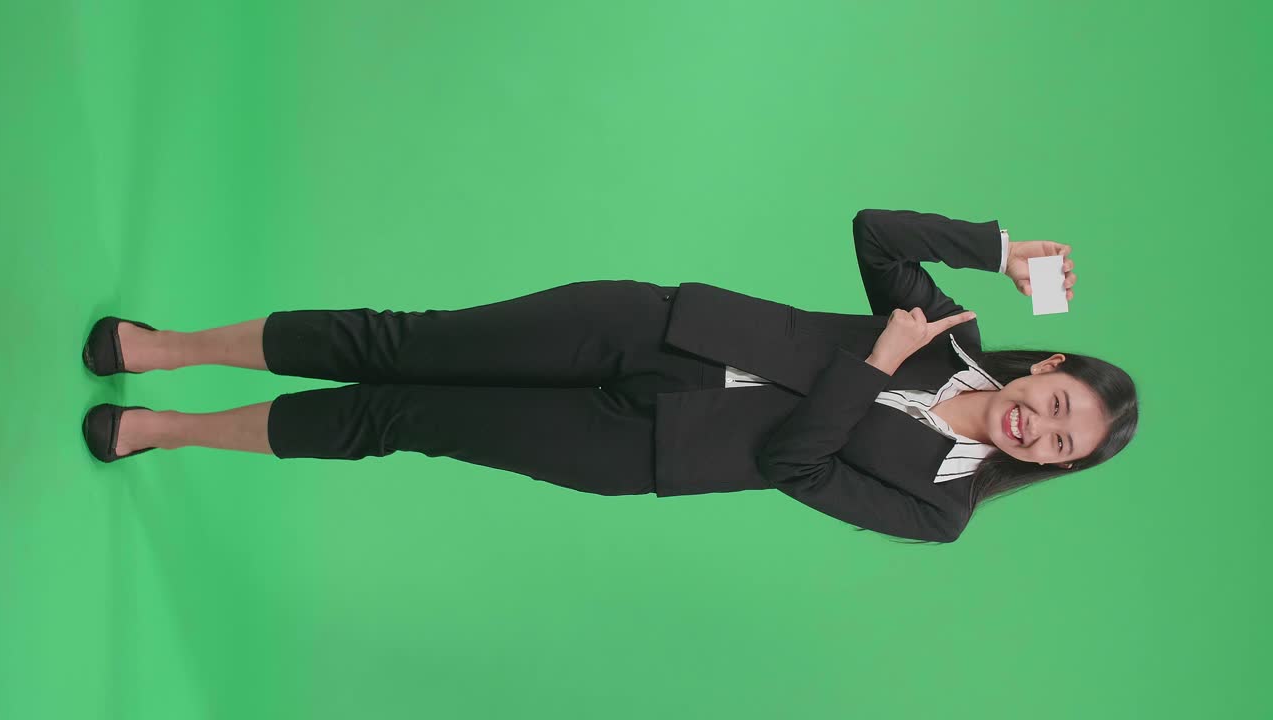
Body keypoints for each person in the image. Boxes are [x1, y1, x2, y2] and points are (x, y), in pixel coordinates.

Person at [81, 208, 1138, 543]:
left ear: (1051, 465)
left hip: (640, 448)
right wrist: (993, 251)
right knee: (398, 341)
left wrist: (868, 364)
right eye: (1054, 405)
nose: (1035, 429)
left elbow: (794, 464)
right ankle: (161, 348)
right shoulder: (944, 325)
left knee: (395, 416)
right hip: (652, 329)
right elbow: (874, 230)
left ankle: (162, 429)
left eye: (1057, 444)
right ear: (1041, 365)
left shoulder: (941, 506)